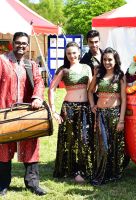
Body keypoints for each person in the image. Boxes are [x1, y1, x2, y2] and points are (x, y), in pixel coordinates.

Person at [0, 32, 46, 196]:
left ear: (28, 46)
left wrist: (37, 98)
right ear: (13, 43)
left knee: (31, 145)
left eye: (24, 44)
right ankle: (2, 184)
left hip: (27, 113)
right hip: (5, 111)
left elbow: (39, 81)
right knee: (3, 148)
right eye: (18, 43)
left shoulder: (31, 64)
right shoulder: (3, 61)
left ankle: (32, 184)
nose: (21, 46)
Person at [48, 41, 93, 183]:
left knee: (84, 139)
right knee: (71, 139)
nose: (72, 55)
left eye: (74, 53)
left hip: (85, 108)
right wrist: (54, 111)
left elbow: (92, 89)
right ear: (66, 55)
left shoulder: (87, 68)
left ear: (79, 53)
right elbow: (51, 89)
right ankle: (73, 170)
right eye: (69, 53)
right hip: (69, 109)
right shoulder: (64, 69)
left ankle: (83, 168)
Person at [88, 47, 127, 185]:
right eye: (104, 59)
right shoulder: (99, 75)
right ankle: (100, 174)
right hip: (101, 115)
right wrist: (93, 104)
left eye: (110, 59)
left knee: (114, 144)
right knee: (102, 145)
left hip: (115, 114)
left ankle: (113, 172)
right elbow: (90, 91)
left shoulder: (120, 76)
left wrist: (121, 120)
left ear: (115, 60)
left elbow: (123, 99)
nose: (107, 62)